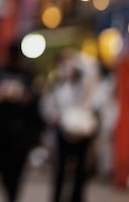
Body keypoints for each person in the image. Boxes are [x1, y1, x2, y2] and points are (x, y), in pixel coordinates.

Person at [0, 42, 40, 202]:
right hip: (1, 131)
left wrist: (25, 97)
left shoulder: (28, 75)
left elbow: (36, 104)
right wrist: (0, 94)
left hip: (21, 132)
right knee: (2, 171)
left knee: (17, 171)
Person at [40, 49, 101, 202]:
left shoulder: (83, 83)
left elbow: (93, 71)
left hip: (81, 131)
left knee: (80, 169)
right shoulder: (55, 83)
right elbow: (46, 105)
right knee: (59, 169)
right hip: (61, 130)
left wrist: (76, 58)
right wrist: (53, 116)